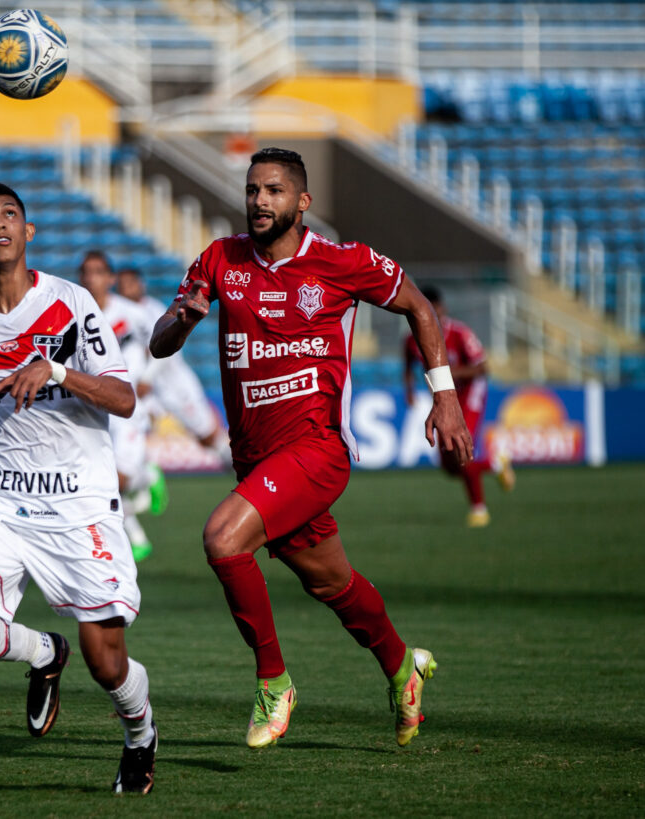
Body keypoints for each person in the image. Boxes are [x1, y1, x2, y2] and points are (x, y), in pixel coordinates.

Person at [149, 148, 473, 750]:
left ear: (302, 202)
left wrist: (445, 395)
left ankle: (274, 681)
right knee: (331, 584)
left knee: (223, 540)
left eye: (273, 191)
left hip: (316, 449)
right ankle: (403, 668)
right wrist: (185, 319)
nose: (259, 201)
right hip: (256, 458)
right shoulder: (220, 260)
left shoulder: (341, 263)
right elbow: (159, 344)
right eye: (252, 190)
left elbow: (418, 307)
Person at [0, 183, 157, 794]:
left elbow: (124, 399)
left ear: (29, 233)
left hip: (78, 501)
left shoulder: (72, 302)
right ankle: (41, 654)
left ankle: (140, 736)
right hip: (1, 497)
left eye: (10, 215)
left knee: (107, 663)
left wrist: (55, 369)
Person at [78, 251, 168, 563]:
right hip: (94, 408)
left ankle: (146, 477)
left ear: (110, 278)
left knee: (120, 481)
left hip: (128, 407)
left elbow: (163, 345)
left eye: (98, 272)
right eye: (86, 272)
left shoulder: (132, 313)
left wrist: (148, 377)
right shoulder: (76, 316)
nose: (91, 278)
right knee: (100, 481)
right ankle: (135, 538)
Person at [403, 286, 515, 527]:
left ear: (442, 308)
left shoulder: (460, 333)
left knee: (459, 446)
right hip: (444, 396)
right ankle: (495, 463)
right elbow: (407, 366)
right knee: (449, 466)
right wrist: (409, 392)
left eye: (435, 308)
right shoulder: (412, 340)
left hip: (470, 392)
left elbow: (482, 368)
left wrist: (448, 373)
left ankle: (479, 510)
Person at [115, 267, 231, 467]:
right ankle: (142, 479)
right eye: (122, 284)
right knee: (140, 427)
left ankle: (234, 462)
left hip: (173, 382)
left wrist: (147, 378)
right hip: (149, 389)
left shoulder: (152, 309)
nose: (125, 288)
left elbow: (164, 349)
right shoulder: (121, 312)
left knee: (206, 434)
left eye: (130, 283)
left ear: (140, 285)